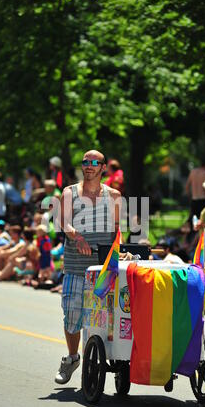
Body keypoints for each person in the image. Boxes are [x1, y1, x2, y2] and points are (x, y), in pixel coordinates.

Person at [54, 149, 121, 385]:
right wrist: (77, 237)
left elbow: (116, 231)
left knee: (103, 320)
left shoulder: (113, 196)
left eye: (94, 162)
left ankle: (103, 361)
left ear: (104, 167)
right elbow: (62, 221)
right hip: (75, 267)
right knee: (72, 316)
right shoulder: (69, 192)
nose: (89, 165)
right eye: (85, 162)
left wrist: (120, 255)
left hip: (102, 270)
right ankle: (72, 357)